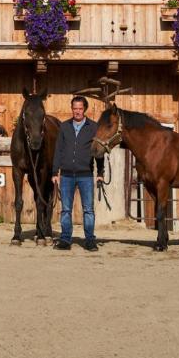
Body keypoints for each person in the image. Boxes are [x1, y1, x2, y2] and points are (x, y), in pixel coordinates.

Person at [51, 96, 105, 251]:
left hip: (86, 175)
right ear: (72, 109)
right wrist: (55, 172)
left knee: (88, 209)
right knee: (66, 209)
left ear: (84, 109)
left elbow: (98, 152)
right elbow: (58, 150)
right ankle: (65, 240)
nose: (77, 111)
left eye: (80, 108)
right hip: (66, 175)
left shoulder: (93, 127)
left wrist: (100, 172)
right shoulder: (64, 126)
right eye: (75, 108)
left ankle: (89, 240)